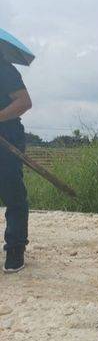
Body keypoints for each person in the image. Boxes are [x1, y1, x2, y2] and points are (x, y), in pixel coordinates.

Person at [0, 59, 32, 273]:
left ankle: (15, 248)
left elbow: (24, 102)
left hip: (7, 139)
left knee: (13, 195)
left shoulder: (5, 70)